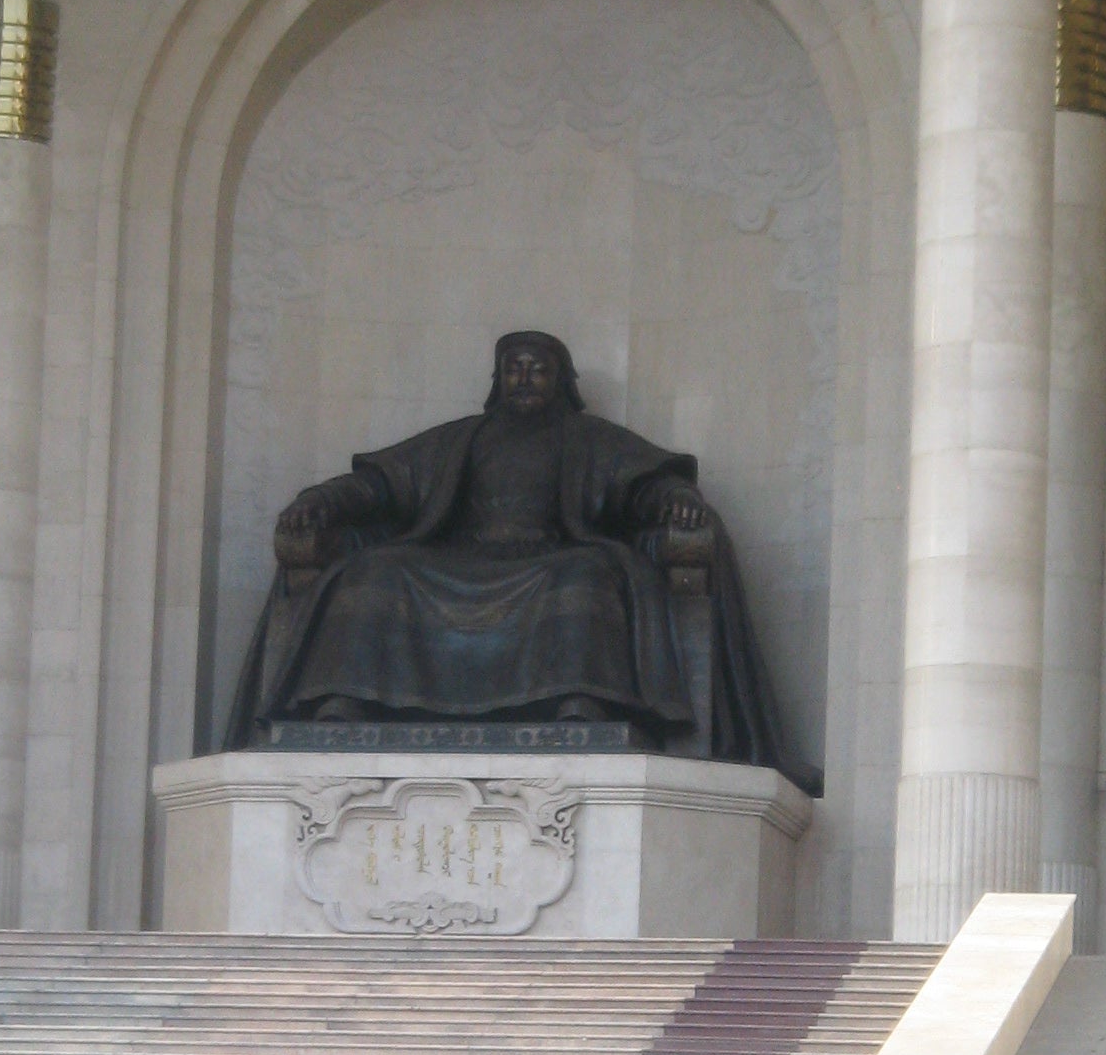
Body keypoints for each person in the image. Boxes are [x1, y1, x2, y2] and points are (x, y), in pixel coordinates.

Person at [223, 327, 813, 784]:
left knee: (585, 579)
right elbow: (381, 486)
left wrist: (678, 499)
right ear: (497, 378)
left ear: (562, 381)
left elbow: (643, 487)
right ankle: (346, 702)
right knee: (374, 572)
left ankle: (579, 704)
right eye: (514, 368)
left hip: (552, 556)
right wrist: (322, 500)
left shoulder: (588, 438)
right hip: (461, 556)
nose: (524, 379)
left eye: (537, 369)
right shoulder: (462, 438)